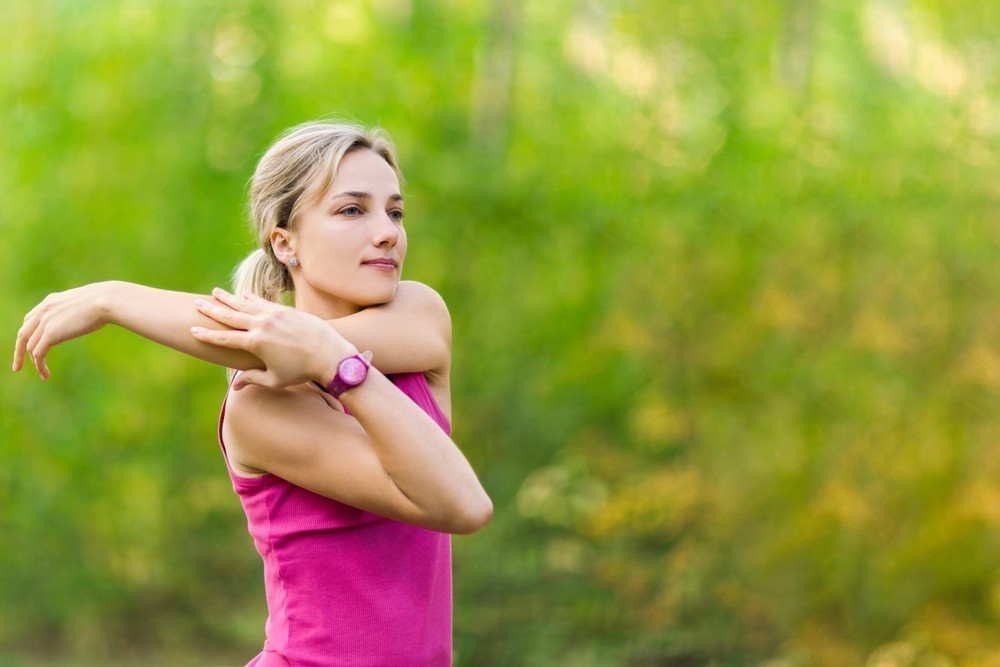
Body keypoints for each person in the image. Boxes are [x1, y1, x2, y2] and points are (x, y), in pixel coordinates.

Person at [13, 120, 493, 666]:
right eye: (352, 210)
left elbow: (272, 344)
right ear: (285, 242)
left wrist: (326, 356)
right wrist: (111, 296)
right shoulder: (261, 406)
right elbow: (462, 504)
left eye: (396, 211)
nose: (387, 231)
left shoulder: (419, 314)